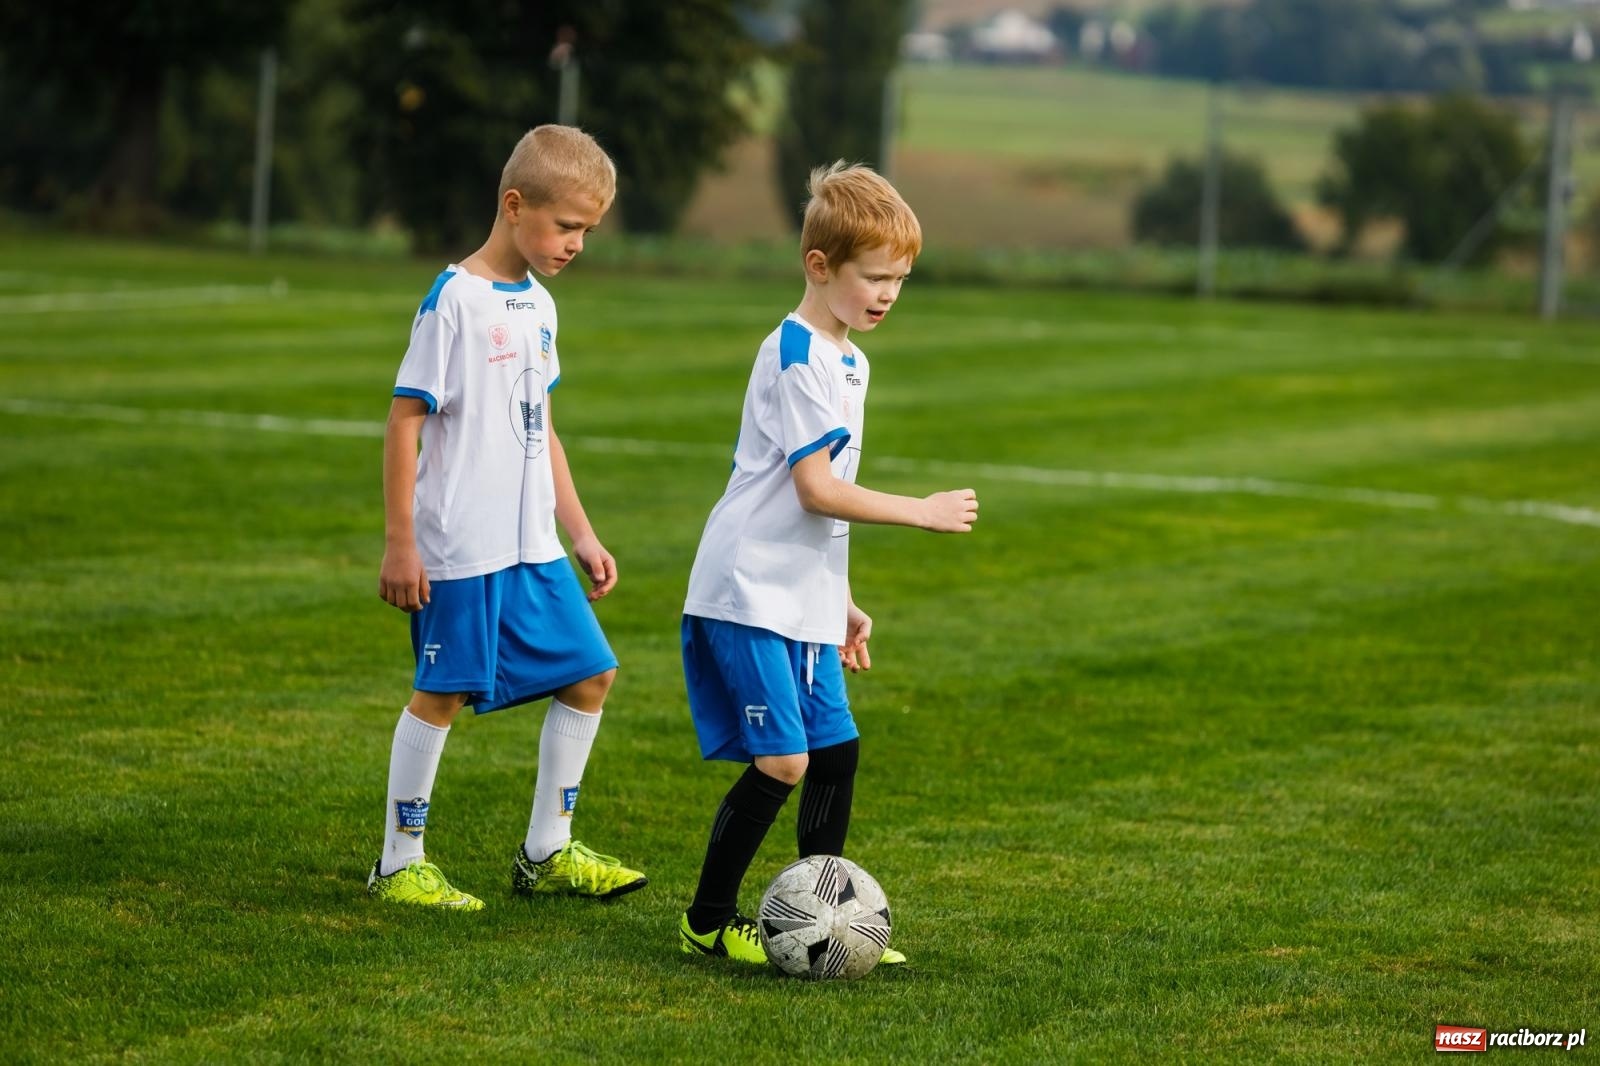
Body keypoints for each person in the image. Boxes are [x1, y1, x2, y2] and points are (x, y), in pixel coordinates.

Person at [676, 161, 979, 963]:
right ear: (820, 267)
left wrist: (838, 597)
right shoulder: (797, 353)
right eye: (874, 277)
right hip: (746, 589)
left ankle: (827, 924)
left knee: (835, 750)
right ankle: (706, 921)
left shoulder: (851, 359)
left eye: (900, 281)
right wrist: (920, 509)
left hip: (800, 592)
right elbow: (814, 490)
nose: (887, 295)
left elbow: (826, 495)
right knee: (783, 760)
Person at [367, 125, 646, 910]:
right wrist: (401, 542)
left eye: (588, 230)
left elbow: (541, 426)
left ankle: (547, 852)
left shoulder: (541, 305)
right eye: (566, 226)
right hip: (459, 545)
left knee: (592, 673)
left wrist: (580, 530)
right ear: (514, 205)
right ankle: (398, 863)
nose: (578, 243)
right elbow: (404, 420)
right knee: (443, 694)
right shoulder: (453, 299)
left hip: (532, 544)